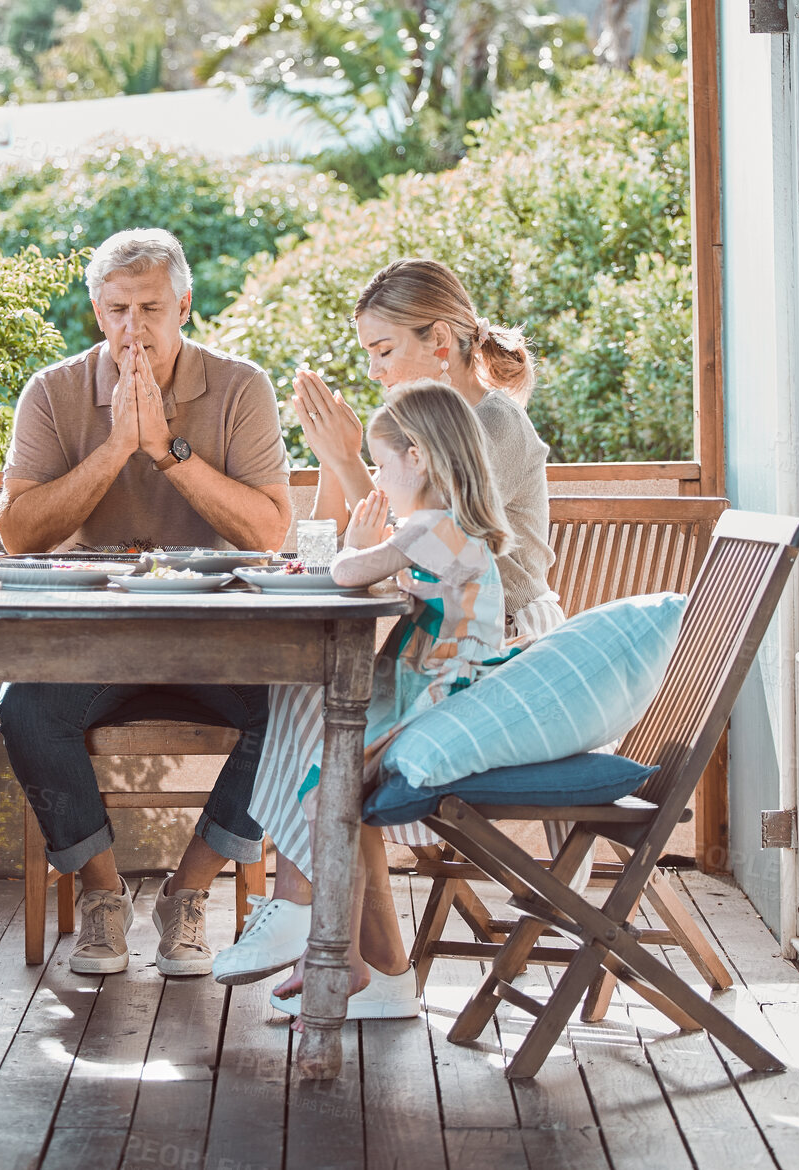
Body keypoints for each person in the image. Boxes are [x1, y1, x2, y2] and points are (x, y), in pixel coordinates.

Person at [214, 258, 563, 987]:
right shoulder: (429, 428)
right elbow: (378, 542)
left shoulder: (487, 423)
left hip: (501, 650)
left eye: (383, 351)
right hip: (443, 639)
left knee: (330, 712)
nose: (374, 372)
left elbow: (448, 550)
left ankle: (316, 926)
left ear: (440, 340)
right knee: (314, 696)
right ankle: (352, 958)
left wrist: (347, 464)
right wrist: (343, 472)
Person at [0, 228, 292, 977]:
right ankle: (101, 895)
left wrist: (166, 449)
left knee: (295, 712)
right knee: (23, 706)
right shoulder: (54, 392)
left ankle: (187, 893)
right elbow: (18, 533)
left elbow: (269, 528)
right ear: (97, 310)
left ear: (184, 305)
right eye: (119, 308)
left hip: (220, 638)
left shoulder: (240, 386)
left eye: (151, 308)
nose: (134, 328)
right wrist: (115, 448)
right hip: (95, 640)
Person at [266, 381, 518, 1020]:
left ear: (420, 457)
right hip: (440, 688)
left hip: (442, 698)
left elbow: (347, 573)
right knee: (334, 785)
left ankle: (337, 955)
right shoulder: (449, 532)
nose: (376, 476)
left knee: (332, 789)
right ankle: (344, 954)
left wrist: (358, 538)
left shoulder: (433, 528)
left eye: (380, 464)